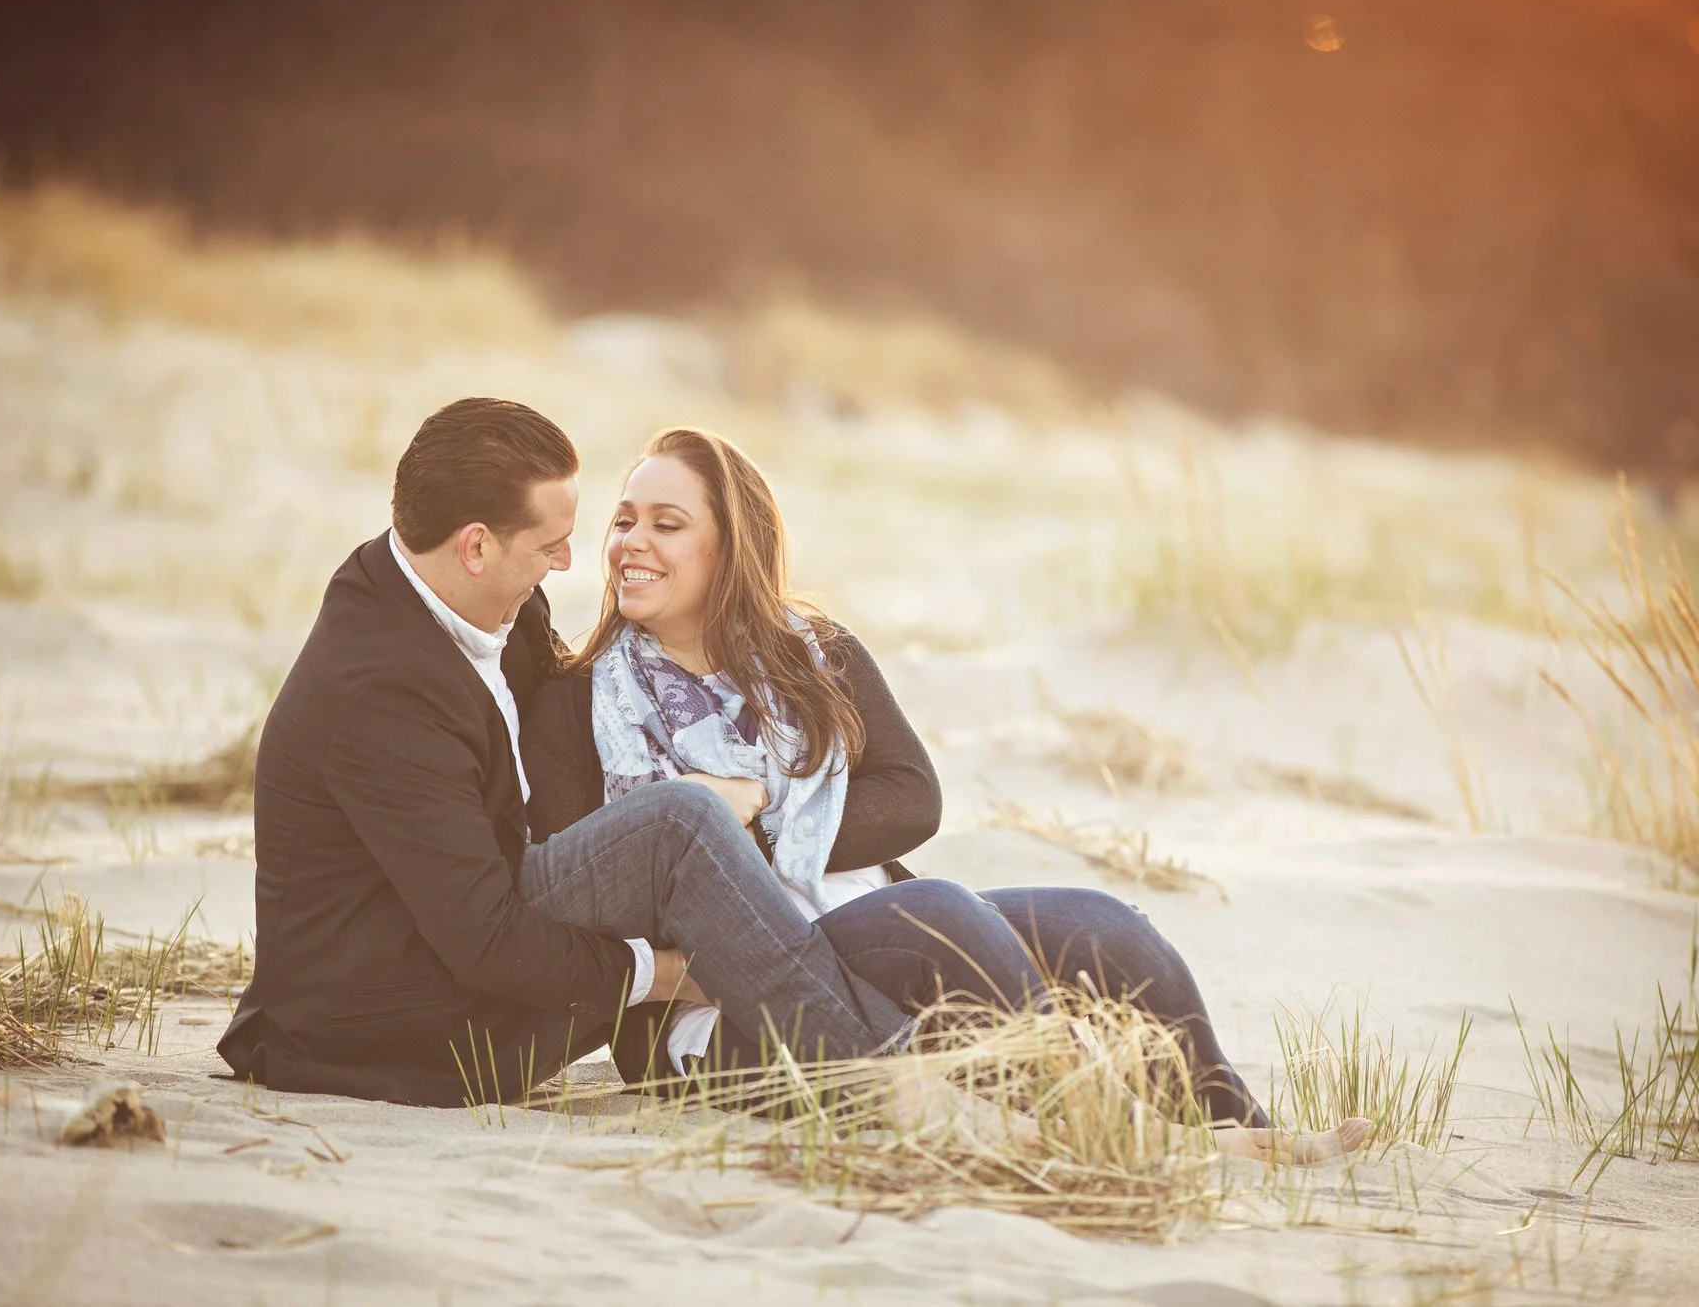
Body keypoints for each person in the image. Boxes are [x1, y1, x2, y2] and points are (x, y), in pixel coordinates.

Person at [520, 427, 1371, 1163]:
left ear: (729, 547)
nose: (633, 540)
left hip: (855, 916)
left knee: (1104, 927)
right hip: (716, 1006)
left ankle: (1241, 1127)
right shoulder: (576, 700)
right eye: (624, 519)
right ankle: (1105, 1131)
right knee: (940, 914)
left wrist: (756, 807)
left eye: (668, 524)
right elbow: (605, 886)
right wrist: (721, 839)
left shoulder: (814, 653)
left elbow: (911, 796)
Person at [218, 398, 912, 1106]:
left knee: (954, 915)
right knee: (679, 820)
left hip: (490, 929)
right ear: (477, 546)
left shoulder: (494, 602)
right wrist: (673, 972)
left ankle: (946, 1055)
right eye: (550, 546)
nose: (569, 561)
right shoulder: (377, 692)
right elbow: (485, 937)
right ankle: (888, 1084)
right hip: (396, 1020)